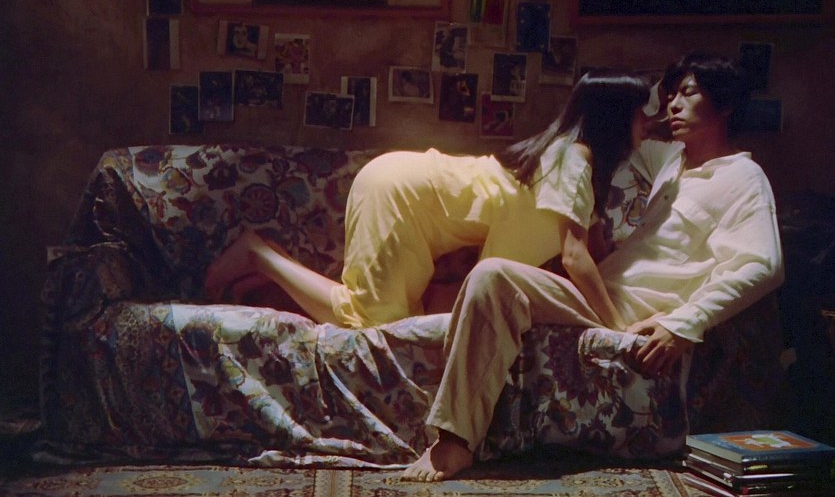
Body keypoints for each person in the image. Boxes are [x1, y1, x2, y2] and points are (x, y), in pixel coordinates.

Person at [403, 52, 784, 481]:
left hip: (632, 312)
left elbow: (763, 265)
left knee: (493, 277)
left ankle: (454, 442)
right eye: (671, 94)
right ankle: (448, 429)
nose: (673, 105)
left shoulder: (743, 178)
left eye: (688, 94)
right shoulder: (670, 162)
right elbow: (615, 124)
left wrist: (684, 324)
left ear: (726, 105)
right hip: (599, 295)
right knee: (486, 279)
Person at [204, 70, 651, 329]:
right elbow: (573, 257)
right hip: (399, 192)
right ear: (615, 119)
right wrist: (617, 328)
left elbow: (595, 251)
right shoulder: (573, 160)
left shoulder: (575, 166)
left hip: (406, 187)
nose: (649, 124)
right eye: (641, 113)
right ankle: (260, 254)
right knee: (371, 324)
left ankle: (260, 284)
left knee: (411, 315)